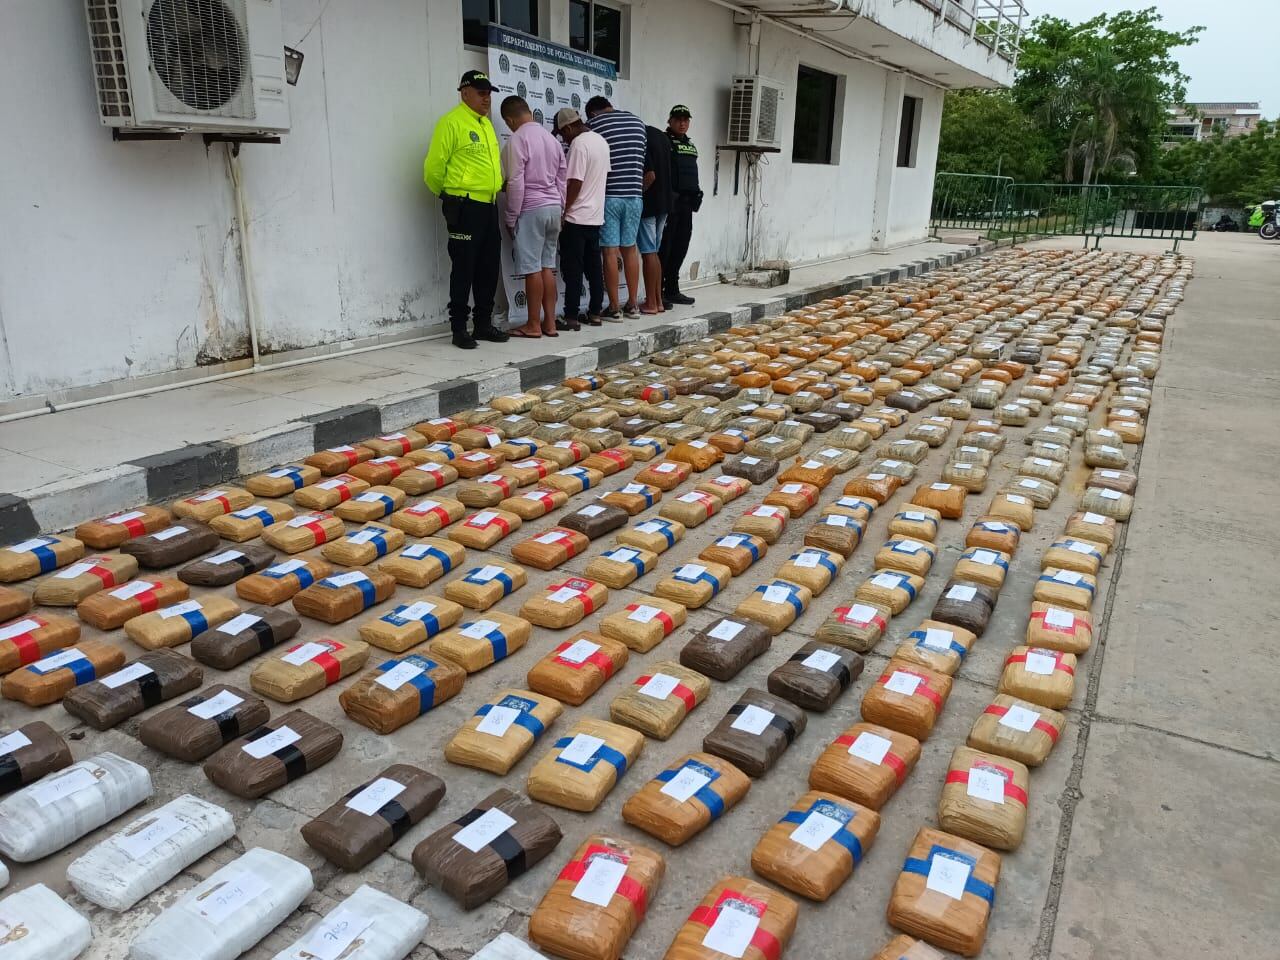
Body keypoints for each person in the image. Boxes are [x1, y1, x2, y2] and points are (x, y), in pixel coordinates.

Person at [423, 70, 510, 350]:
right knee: (464, 268)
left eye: (489, 93)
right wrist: (449, 197)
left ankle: (483, 324)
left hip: (489, 205)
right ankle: (459, 328)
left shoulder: (485, 125)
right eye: (481, 92)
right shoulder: (451, 123)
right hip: (465, 205)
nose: (487, 98)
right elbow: (433, 169)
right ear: (464, 92)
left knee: (488, 267)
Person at [499, 95, 567, 339]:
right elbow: (562, 179)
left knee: (532, 270)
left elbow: (515, 181)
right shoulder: (552, 139)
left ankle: (532, 324)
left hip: (531, 209)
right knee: (548, 266)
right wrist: (561, 209)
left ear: (510, 119)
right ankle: (549, 323)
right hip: (553, 208)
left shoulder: (518, 139)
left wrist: (510, 217)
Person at [586, 96, 646, 320]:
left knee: (610, 251)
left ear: (593, 113)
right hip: (635, 197)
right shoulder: (638, 123)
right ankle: (632, 304)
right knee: (630, 249)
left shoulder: (595, 125)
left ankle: (614, 307)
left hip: (610, 197)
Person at [555, 107, 610, 331]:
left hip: (576, 217)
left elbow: (575, 182)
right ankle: (595, 313)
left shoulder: (578, 144)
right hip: (595, 217)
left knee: (573, 269)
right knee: (594, 269)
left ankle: (571, 317)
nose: (563, 139)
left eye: (562, 134)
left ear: (568, 127)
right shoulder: (601, 141)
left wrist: (564, 211)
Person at [660, 104, 703, 308]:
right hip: (671, 204)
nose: (682, 123)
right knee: (665, 249)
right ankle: (658, 291)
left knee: (680, 248)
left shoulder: (690, 144)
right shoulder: (664, 141)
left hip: (687, 204)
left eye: (686, 119)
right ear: (670, 121)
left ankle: (673, 290)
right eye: (678, 119)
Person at [639, 123, 674, 314]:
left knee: (648, 253)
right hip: (665, 202)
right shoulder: (661, 136)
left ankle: (651, 303)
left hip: (650, 203)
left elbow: (649, 176)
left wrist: (638, 194)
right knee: (655, 253)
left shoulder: (640, 137)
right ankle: (658, 301)